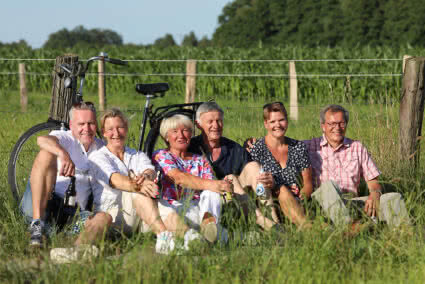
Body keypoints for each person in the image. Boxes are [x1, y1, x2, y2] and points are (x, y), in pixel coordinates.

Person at [85, 108, 202, 255]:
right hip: (114, 216)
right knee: (141, 192)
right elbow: (115, 180)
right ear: (104, 132)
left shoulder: (136, 154)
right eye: (110, 129)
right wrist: (140, 184)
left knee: (157, 202)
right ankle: (165, 236)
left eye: (120, 127)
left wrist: (146, 177)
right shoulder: (97, 157)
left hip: (143, 216)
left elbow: (150, 170)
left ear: (126, 129)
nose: (116, 133)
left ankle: (189, 237)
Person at [305, 104, 410, 228]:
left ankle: (405, 237)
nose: (337, 128)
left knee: (393, 197)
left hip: (352, 202)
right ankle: (349, 231)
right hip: (323, 204)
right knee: (328, 187)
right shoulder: (309, 146)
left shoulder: (357, 147)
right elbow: (281, 146)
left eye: (341, 123)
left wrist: (374, 195)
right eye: (331, 124)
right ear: (323, 126)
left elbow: (373, 183)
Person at [20, 102, 108, 247]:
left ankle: (69, 245)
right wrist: (63, 153)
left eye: (91, 123)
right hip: (46, 202)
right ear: (71, 125)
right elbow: (41, 140)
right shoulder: (65, 137)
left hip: (74, 211)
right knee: (46, 152)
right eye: (81, 124)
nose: (86, 129)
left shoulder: (101, 147)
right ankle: (37, 225)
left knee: (99, 219)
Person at [188, 102, 278, 231]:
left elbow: (252, 178)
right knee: (230, 178)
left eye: (219, 121)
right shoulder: (191, 147)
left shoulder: (233, 148)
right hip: (209, 199)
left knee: (254, 168)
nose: (216, 126)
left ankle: (274, 221)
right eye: (210, 121)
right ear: (198, 125)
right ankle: (264, 223)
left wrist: (267, 179)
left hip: (240, 200)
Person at [152, 114, 232, 243]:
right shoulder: (161, 155)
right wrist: (215, 185)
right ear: (166, 137)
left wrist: (220, 186)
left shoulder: (200, 159)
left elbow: (212, 186)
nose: (181, 135)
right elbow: (178, 177)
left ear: (191, 134)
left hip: (199, 208)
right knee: (212, 186)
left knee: (212, 192)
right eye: (175, 131)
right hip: (174, 208)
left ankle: (208, 225)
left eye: (185, 130)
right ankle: (212, 235)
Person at [249, 102, 313, 229]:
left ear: (287, 121)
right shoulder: (257, 149)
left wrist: (302, 196)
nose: (277, 125)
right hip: (270, 203)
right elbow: (254, 184)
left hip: (297, 202)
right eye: (272, 122)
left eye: (281, 120)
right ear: (266, 124)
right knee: (281, 189)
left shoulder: (298, 147)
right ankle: (309, 228)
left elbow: (308, 182)